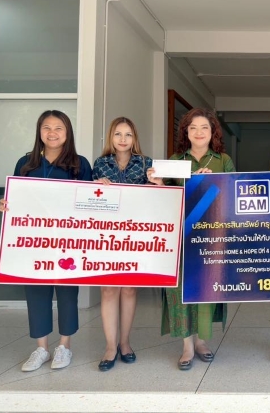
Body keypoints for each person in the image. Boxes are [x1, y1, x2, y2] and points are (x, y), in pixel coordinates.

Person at [0, 110, 92, 372]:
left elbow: (89, 203)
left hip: (67, 242)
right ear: (39, 132)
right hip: (34, 242)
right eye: (47, 127)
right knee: (36, 291)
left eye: (58, 128)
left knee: (67, 293)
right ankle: (41, 348)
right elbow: (14, 198)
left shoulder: (79, 164)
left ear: (67, 132)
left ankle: (64, 346)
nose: (52, 133)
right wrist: (6, 205)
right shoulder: (25, 163)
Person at [158, 107, 234, 371]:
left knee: (206, 286)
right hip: (181, 236)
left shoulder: (223, 160)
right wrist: (159, 183)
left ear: (212, 132)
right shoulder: (175, 161)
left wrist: (214, 183)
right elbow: (165, 197)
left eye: (204, 127)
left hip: (212, 236)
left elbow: (233, 193)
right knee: (180, 289)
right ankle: (186, 346)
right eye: (193, 128)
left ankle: (201, 341)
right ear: (186, 132)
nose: (199, 132)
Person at [92, 117, 159, 372]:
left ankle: (125, 343)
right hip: (107, 235)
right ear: (111, 137)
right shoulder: (100, 164)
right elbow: (88, 199)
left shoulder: (146, 163)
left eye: (128, 134)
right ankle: (110, 347)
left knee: (129, 288)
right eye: (118, 134)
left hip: (136, 234)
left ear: (134, 138)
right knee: (109, 289)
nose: (123, 139)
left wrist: (158, 183)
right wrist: (95, 186)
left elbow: (157, 198)